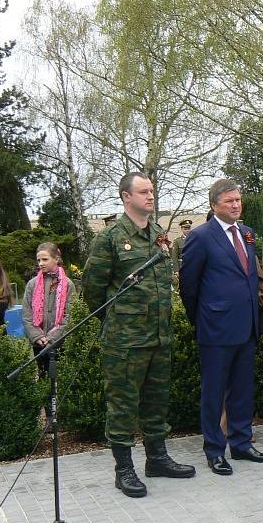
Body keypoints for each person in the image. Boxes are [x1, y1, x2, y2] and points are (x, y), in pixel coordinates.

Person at [83, 172, 195, 498]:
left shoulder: (160, 235)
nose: (150, 196)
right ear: (125, 197)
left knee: (156, 401)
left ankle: (157, 459)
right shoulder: (110, 239)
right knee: (123, 405)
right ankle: (123, 469)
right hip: (125, 342)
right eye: (143, 191)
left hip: (159, 337)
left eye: (152, 191)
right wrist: (118, 321)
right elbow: (93, 290)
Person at [179, 179, 263, 476]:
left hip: (246, 326)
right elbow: (188, 286)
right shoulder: (201, 236)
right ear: (214, 205)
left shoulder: (247, 234)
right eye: (230, 200)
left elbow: (251, 277)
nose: (236, 204)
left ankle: (242, 443)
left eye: (238, 199)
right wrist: (203, 318)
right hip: (215, 329)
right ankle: (215, 450)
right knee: (215, 391)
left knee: (243, 389)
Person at [22, 243, 77, 394]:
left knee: (63, 379)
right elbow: (27, 313)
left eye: (45, 259)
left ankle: (61, 413)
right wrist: (37, 336)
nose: (41, 263)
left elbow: (70, 314)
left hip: (60, 342)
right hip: (39, 343)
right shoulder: (32, 284)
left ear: (56, 259)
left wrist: (53, 338)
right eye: (38, 260)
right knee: (44, 378)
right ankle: (49, 414)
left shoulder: (68, 285)